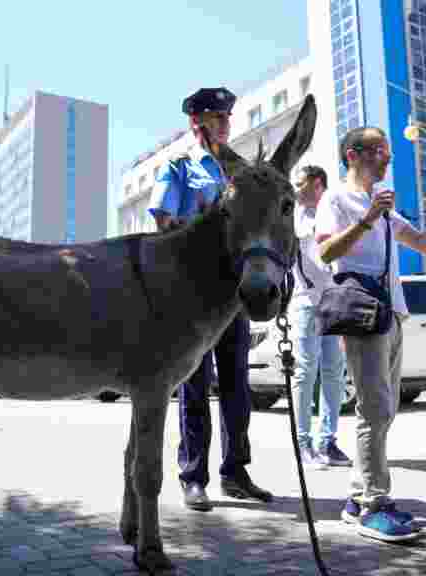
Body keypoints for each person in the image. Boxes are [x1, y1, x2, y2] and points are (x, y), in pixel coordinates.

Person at [314, 126, 426, 542]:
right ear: (353, 154)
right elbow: (324, 253)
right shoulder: (337, 198)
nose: (388, 158)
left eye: (388, 151)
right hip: (362, 313)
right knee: (374, 410)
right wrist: (367, 219)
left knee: (385, 410)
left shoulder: (386, 209)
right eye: (380, 150)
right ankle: (375, 505)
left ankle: (357, 499)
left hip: (392, 314)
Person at [149, 87, 273, 512]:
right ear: (196, 123)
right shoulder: (180, 166)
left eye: (227, 118)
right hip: (194, 298)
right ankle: (193, 476)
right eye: (216, 118)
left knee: (238, 386)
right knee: (195, 387)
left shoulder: (238, 171)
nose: (224, 124)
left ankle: (236, 472)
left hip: (234, 297)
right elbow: (164, 222)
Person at [289, 164, 350, 469]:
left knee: (334, 373)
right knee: (305, 371)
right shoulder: (292, 215)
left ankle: (327, 441)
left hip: (334, 301)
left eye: (300, 183)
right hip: (305, 302)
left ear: (317, 184)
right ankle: (302, 445)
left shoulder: (334, 210)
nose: (295, 188)